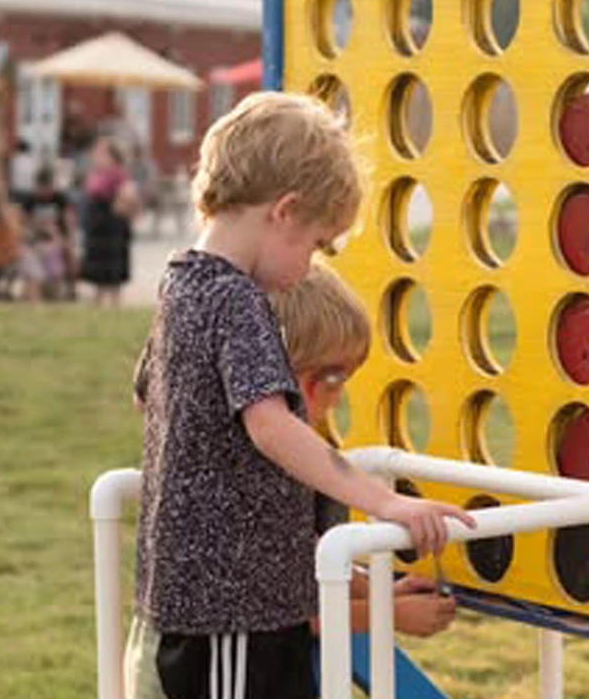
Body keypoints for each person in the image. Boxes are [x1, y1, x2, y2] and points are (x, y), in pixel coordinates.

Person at [126, 93, 473, 699]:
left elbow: (146, 394)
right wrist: (384, 502)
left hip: (233, 604)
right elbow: (271, 425)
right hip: (232, 610)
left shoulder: (180, 284)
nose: (310, 264)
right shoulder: (236, 299)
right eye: (316, 243)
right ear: (284, 212)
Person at [271, 263, 458, 640]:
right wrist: (388, 614)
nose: (336, 396)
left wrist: (378, 593)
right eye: (330, 379)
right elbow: (278, 615)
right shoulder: (256, 467)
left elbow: (304, 552)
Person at [79, 138, 140, 307]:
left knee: (112, 270)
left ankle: (114, 302)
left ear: (112, 157)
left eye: (101, 154)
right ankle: (98, 301)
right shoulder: (95, 175)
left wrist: (119, 208)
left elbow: (128, 200)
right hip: (96, 228)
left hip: (112, 228)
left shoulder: (119, 175)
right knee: (97, 270)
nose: (96, 157)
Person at [20, 166, 77, 300]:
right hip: (36, 240)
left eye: (48, 187)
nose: (45, 192)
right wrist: (34, 232)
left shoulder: (60, 199)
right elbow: (22, 223)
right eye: (42, 188)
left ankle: (71, 291)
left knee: (70, 256)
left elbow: (69, 220)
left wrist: (68, 240)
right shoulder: (29, 200)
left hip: (58, 238)